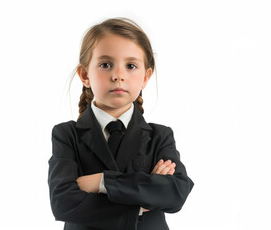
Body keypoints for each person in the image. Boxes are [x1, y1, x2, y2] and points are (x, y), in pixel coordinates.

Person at [48, 18, 194, 230]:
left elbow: (175, 193)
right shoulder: (66, 134)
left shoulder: (160, 136)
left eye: (131, 66)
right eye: (106, 65)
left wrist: (102, 182)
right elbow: (62, 202)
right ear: (85, 74)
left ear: (145, 77)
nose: (118, 75)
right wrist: (142, 200)